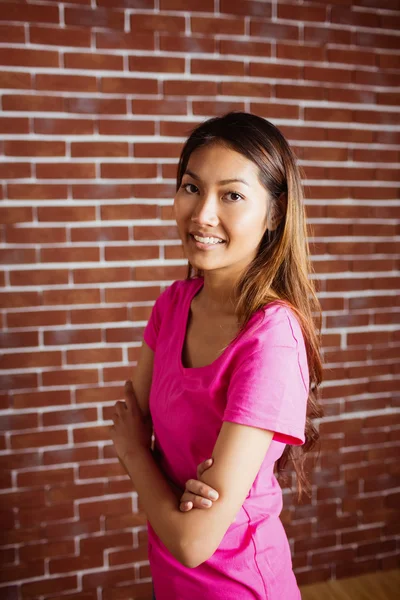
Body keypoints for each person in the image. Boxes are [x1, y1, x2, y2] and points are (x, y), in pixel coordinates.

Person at [110, 111, 324, 600]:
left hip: (241, 586)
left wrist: (133, 454)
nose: (203, 214)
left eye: (232, 195)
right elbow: (135, 414)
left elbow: (194, 540)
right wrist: (159, 477)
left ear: (274, 213)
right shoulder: (171, 305)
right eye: (191, 187)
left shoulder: (272, 338)